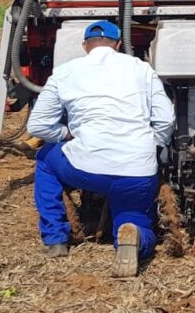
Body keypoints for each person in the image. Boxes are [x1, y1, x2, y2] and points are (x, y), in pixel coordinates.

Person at [26, 20, 175, 277]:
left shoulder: (64, 72)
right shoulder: (141, 68)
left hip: (85, 169)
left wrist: (66, 133)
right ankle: (134, 237)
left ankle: (55, 239)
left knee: (45, 160)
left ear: (85, 46)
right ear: (118, 45)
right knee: (136, 218)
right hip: (136, 171)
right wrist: (154, 148)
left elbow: (38, 125)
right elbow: (166, 120)